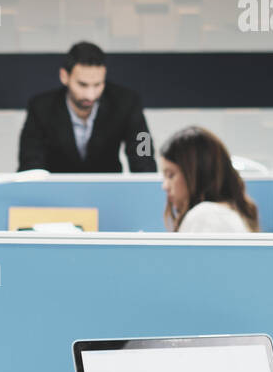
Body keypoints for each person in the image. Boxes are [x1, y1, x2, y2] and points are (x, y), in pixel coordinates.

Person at [17, 42, 156, 173]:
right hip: (56, 188)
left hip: (107, 187)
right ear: (64, 76)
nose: (90, 95)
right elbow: (30, 160)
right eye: (82, 85)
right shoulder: (41, 107)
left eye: (98, 85)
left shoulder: (127, 102)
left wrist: (147, 182)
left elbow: (143, 150)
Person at [159, 126, 260, 232]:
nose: (165, 186)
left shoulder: (205, 216)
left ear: (199, 174)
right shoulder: (222, 213)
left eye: (170, 175)